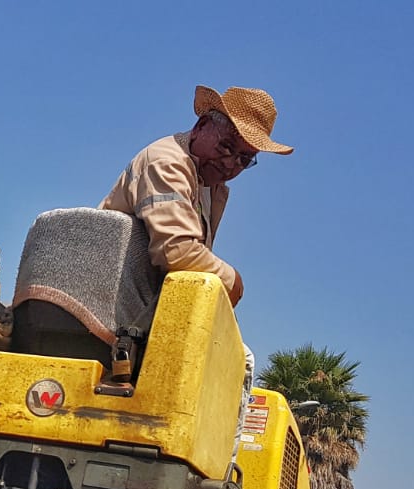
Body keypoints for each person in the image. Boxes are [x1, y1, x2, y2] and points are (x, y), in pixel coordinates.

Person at [99, 86, 293, 468]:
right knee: (242, 360)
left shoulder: (211, 188)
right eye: (227, 147)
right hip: (114, 301)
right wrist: (234, 281)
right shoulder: (167, 162)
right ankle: (220, 473)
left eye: (246, 159)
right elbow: (178, 253)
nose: (233, 164)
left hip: (142, 304)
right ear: (202, 124)